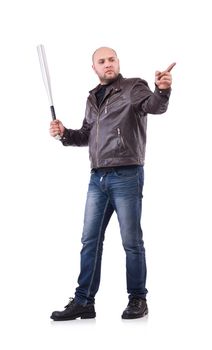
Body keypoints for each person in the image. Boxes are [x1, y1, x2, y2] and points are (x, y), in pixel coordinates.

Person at [48, 47, 172, 321]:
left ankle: (138, 299)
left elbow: (153, 106)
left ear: (118, 62)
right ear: (94, 67)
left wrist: (162, 90)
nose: (108, 64)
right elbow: (87, 135)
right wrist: (64, 134)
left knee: (131, 241)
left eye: (111, 60)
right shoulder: (93, 97)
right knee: (89, 240)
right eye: (101, 61)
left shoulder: (132, 88)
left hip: (126, 174)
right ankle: (84, 302)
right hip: (97, 177)